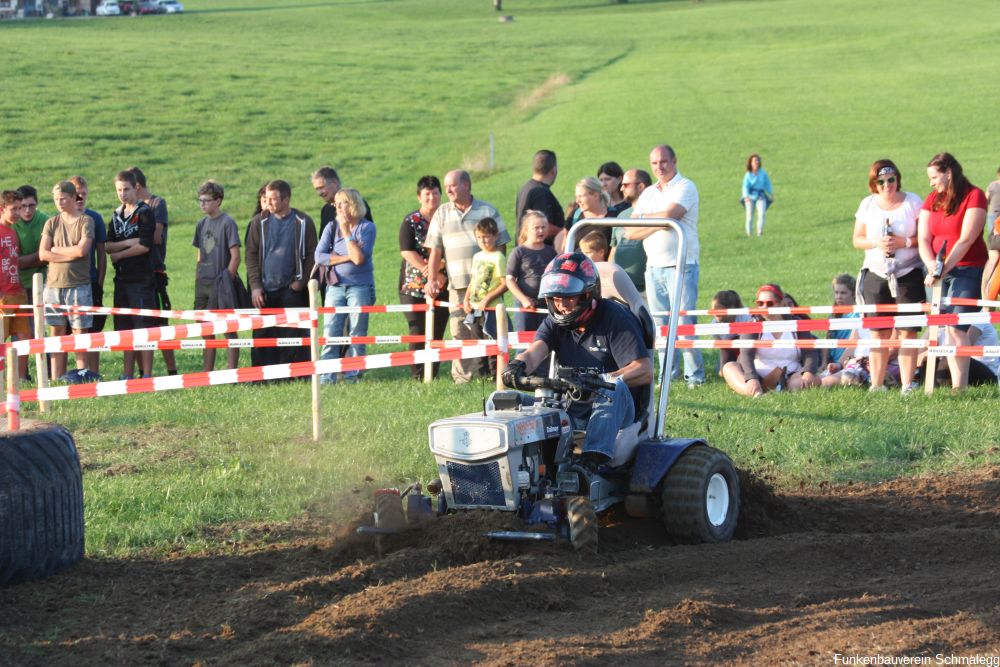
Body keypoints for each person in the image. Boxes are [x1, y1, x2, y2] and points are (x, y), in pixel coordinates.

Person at [502, 252, 653, 468]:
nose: (562, 305)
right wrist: (518, 366)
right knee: (502, 400)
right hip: (570, 408)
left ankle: (589, 464)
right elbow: (536, 351)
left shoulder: (615, 318)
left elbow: (645, 370)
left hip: (619, 412)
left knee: (611, 387)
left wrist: (600, 379)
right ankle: (498, 468)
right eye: (556, 298)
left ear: (587, 295)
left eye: (569, 298)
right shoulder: (556, 322)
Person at [625, 144, 705, 388]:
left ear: (674, 161)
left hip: (681, 264)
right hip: (654, 267)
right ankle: (668, 374)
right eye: (654, 163)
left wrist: (653, 220)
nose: (659, 167)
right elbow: (630, 231)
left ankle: (695, 376)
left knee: (683, 322)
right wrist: (662, 222)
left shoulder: (685, 186)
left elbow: (673, 214)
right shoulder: (649, 193)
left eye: (663, 162)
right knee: (660, 325)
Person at [424, 169, 509, 383]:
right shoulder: (441, 213)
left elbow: (501, 246)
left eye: (452, 185)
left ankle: (496, 373)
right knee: (460, 331)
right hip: (458, 286)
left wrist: (493, 280)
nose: (448, 190)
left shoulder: (488, 210)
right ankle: (463, 378)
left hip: (487, 289)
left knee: (490, 329)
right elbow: (435, 250)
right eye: (446, 187)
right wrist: (432, 279)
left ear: (466, 185)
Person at [917, 152, 988, 392]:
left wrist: (942, 268)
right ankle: (935, 383)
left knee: (957, 328)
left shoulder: (974, 196)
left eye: (934, 177)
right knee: (941, 326)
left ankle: (961, 387)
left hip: (969, 269)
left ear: (949, 173)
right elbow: (923, 238)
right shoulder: (931, 199)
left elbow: (966, 239)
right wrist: (931, 266)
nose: (931, 183)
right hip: (938, 273)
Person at [852, 159, 924, 393]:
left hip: (908, 271)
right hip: (876, 272)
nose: (887, 185)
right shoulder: (868, 204)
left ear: (897, 179)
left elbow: (924, 237)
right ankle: (876, 383)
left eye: (891, 180)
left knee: (907, 330)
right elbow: (857, 240)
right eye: (881, 181)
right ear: (874, 183)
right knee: (878, 330)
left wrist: (904, 242)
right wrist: (876, 242)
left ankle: (907, 384)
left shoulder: (912, 201)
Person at [245, 179, 317, 368]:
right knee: (263, 334)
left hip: (291, 289)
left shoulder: (303, 222)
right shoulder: (258, 222)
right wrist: (255, 287)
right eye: (266, 198)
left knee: (292, 335)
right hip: (264, 289)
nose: (268, 203)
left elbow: (312, 254)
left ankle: (294, 374)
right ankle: (261, 376)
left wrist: (301, 282)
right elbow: (250, 255)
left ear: (286, 200)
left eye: (273, 199)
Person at [315, 187, 375, 383]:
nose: (339, 208)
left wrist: (347, 232)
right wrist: (344, 258)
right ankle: (327, 377)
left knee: (357, 331)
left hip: (360, 286)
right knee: (331, 331)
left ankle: (354, 375)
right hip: (335, 286)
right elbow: (319, 257)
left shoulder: (366, 228)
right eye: (337, 204)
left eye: (343, 203)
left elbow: (358, 259)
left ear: (354, 205)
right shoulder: (330, 228)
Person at [39, 180, 96, 384]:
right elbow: (43, 253)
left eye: (63, 198)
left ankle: (82, 374)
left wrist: (57, 249)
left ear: (74, 198)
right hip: (53, 285)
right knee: (56, 332)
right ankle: (56, 378)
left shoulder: (86, 221)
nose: (59, 202)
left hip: (78, 285)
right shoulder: (51, 223)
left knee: (80, 333)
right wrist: (68, 254)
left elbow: (82, 250)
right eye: (56, 199)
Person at [721, 284, 820, 397]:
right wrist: (751, 378)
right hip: (757, 373)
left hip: (790, 374)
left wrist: (808, 371)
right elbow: (746, 354)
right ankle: (755, 392)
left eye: (769, 303)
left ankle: (783, 387)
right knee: (729, 367)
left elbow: (810, 352)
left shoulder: (797, 323)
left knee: (797, 382)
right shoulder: (752, 324)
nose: (764, 307)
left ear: (781, 303)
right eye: (760, 303)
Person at [106, 170, 156, 380]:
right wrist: (128, 243)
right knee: (124, 328)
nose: (122, 194)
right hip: (122, 280)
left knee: (143, 326)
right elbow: (108, 245)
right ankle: (127, 373)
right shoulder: (116, 215)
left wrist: (120, 255)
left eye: (126, 189)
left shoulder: (145, 212)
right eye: (119, 190)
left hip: (142, 279)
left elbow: (144, 245)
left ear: (135, 188)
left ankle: (146, 373)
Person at [398, 175, 449, 380]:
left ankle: (432, 374)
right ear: (419, 196)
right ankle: (418, 375)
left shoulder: (447, 218)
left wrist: (439, 270)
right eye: (427, 194)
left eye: (435, 193)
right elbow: (407, 251)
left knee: (436, 332)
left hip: (443, 284)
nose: (432, 198)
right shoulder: (411, 221)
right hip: (413, 286)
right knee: (418, 330)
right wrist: (429, 270)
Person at [129, 167, 177, 376]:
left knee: (161, 324)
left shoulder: (157, 204)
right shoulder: (129, 208)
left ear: (137, 186)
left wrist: (132, 240)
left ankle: (171, 370)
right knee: (139, 324)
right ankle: (142, 371)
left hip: (154, 271)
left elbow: (155, 237)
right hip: (134, 274)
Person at [192, 180, 242, 371]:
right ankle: (207, 372)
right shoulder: (200, 224)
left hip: (220, 281)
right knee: (204, 328)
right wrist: (198, 276)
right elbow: (199, 254)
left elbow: (236, 256)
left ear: (218, 201)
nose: (203, 204)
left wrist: (226, 281)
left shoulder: (227, 223)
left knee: (228, 329)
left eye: (207, 200)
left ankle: (231, 372)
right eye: (200, 200)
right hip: (202, 281)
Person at [69, 176, 108, 378]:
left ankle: (93, 372)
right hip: (67, 283)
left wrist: (99, 284)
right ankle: (73, 372)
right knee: (70, 330)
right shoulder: (61, 219)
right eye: (77, 193)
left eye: (83, 193)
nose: (80, 197)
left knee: (92, 330)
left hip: (90, 282)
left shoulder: (95, 218)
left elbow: (101, 254)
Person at [462, 217, 507, 375]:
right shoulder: (477, 257)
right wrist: (466, 299)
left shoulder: (498, 257)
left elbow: (504, 284)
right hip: (475, 308)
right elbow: (473, 280)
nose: (483, 240)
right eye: (479, 237)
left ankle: (496, 374)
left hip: (492, 309)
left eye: (486, 236)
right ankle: (482, 375)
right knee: (478, 342)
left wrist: (488, 299)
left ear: (495, 236)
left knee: (492, 341)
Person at [506, 210, 556, 335]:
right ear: (527, 229)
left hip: (546, 306)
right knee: (524, 342)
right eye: (536, 228)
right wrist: (524, 300)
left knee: (546, 339)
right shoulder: (519, 252)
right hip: (525, 307)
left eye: (544, 227)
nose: (541, 231)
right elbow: (509, 280)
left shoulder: (551, 252)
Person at [0, 190, 31, 378]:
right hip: (3, 294)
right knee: (1, 336)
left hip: (18, 292)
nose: (18, 213)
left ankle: (20, 378)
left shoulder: (13, 231)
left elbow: (14, 261)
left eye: (20, 208)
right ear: (2, 209)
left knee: (23, 336)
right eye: (14, 209)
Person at [609, 168, 651, 295]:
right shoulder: (621, 215)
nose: (621, 189)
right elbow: (614, 249)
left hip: (646, 289)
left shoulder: (654, 213)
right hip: (620, 288)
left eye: (626, 185)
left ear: (641, 186)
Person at [514, 149, 564, 244]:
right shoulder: (540, 193)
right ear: (553, 170)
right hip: (537, 254)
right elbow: (544, 226)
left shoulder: (525, 188)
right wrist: (565, 232)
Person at [311, 166, 373, 238]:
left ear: (335, 183)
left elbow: (365, 237)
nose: (319, 193)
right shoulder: (326, 209)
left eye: (321, 187)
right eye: (317, 189)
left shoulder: (356, 204)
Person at [558, 176, 616, 250]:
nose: (577, 201)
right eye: (576, 196)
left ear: (595, 196)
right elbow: (565, 247)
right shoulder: (575, 215)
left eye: (581, 196)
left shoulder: (614, 216)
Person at [821, 273, 862, 372]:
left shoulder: (858, 314)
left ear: (853, 293)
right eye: (836, 293)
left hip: (852, 358)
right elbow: (828, 339)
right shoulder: (834, 315)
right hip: (833, 360)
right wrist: (824, 362)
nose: (839, 296)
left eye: (843, 293)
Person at [13, 184, 48, 301]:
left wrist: (25, 261)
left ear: (37, 204)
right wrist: (40, 254)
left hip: (44, 282)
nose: (27, 210)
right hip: (18, 284)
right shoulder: (10, 224)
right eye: (23, 206)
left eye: (31, 205)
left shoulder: (46, 221)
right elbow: (15, 263)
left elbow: (48, 258)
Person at [710, 289, 752, 377]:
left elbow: (747, 348)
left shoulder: (747, 317)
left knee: (743, 368)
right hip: (731, 352)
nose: (716, 313)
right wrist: (722, 367)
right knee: (722, 371)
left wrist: (739, 365)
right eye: (713, 309)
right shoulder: (714, 324)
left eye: (720, 309)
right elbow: (723, 348)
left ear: (733, 308)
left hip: (750, 351)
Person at [741, 154, 773, 237]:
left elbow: (767, 183)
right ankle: (749, 234)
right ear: (751, 163)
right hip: (750, 196)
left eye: (758, 160)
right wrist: (746, 196)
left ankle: (759, 232)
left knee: (762, 213)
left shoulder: (763, 173)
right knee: (749, 216)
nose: (757, 162)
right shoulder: (748, 174)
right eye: (755, 160)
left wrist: (771, 193)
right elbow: (745, 186)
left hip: (760, 195)